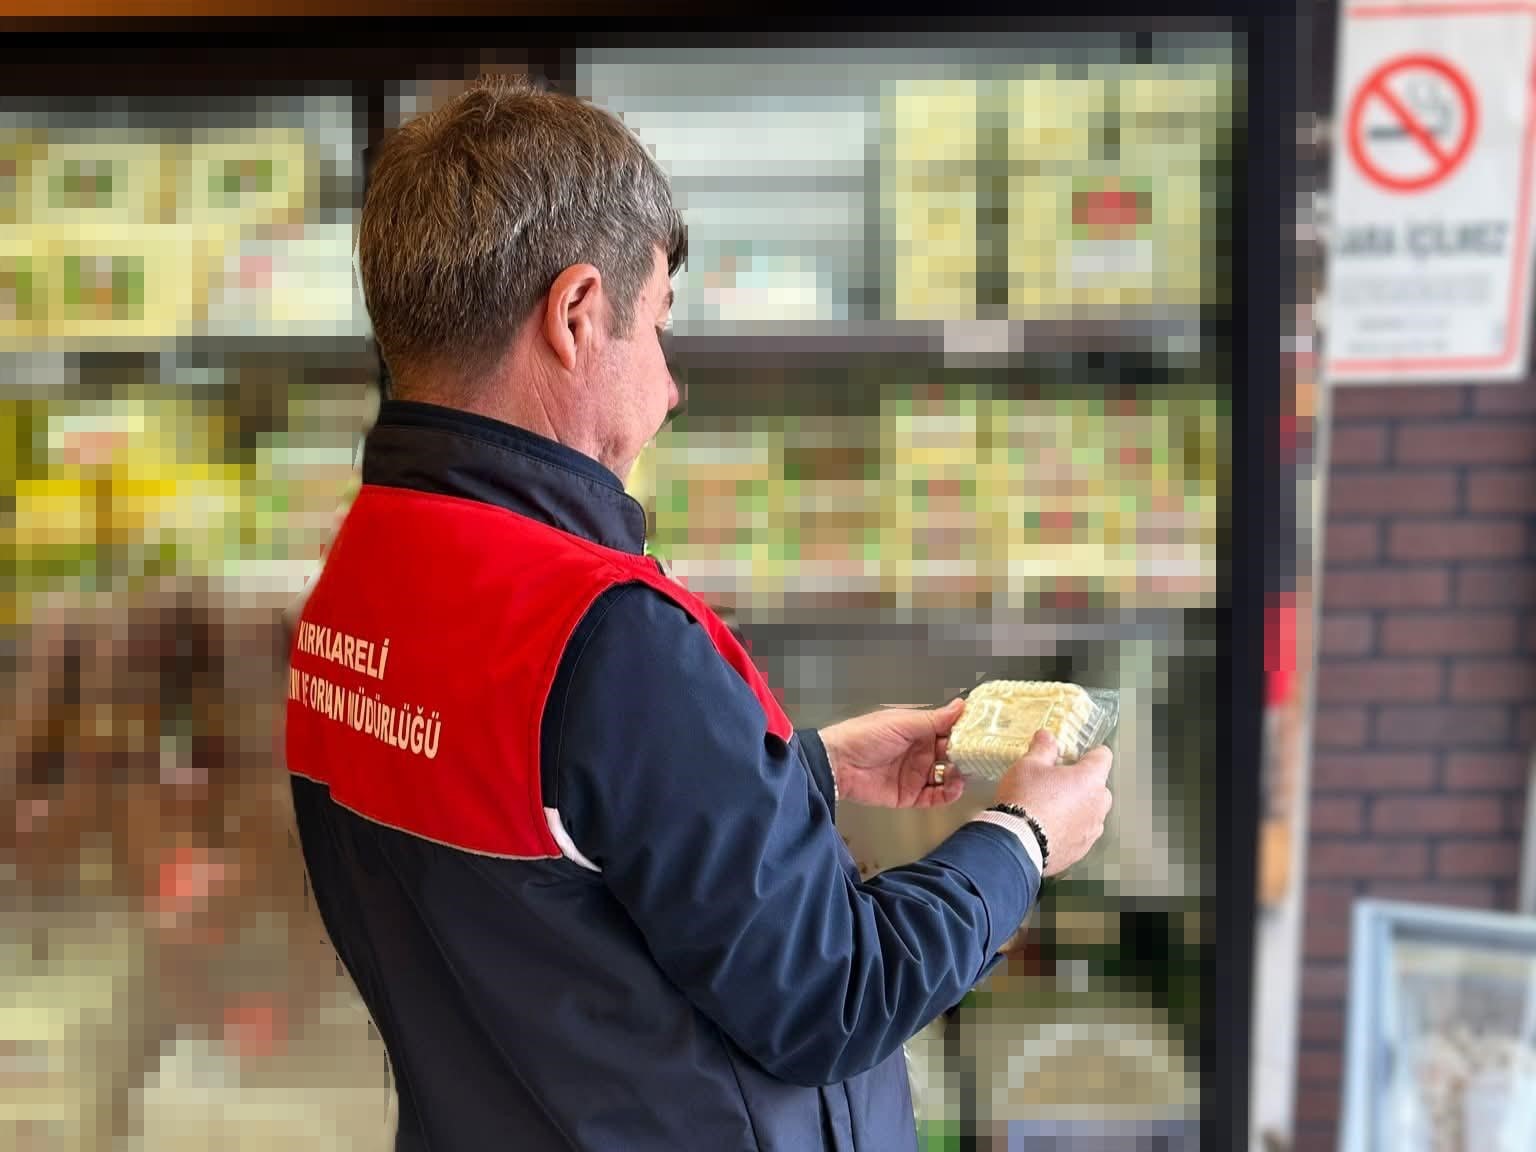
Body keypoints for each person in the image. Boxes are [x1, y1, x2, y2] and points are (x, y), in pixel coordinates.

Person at [283, 73, 1114, 1152]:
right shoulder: (602, 631)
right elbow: (832, 996)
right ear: (579, 314)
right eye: (659, 328)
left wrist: (796, 769)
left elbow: (551, 834)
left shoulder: (360, 575)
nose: (670, 386)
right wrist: (1021, 837)